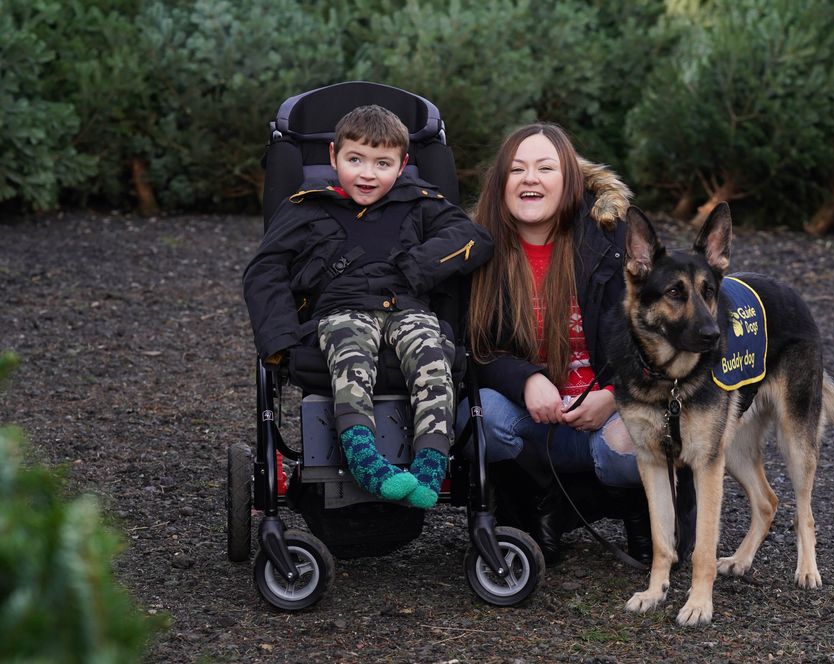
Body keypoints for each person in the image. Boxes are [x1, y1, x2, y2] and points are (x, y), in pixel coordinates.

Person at [462, 122, 695, 564]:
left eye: (545, 168)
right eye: (517, 169)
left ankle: (637, 505)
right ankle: (541, 501)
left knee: (631, 445)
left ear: (570, 179)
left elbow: (659, 337)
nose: (530, 178)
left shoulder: (613, 240)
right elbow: (474, 349)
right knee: (479, 419)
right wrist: (525, 380)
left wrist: (613, 395)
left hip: (608, 412)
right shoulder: (478, 249)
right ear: (500, 183)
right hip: (536, 420)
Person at [244, 105, 491, 509]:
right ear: (333, 157)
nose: (367, 174)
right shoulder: (306, 207)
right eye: (355, 159)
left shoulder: (420, 203)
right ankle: (364, 459)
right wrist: (280, 342)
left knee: (431, 352)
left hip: (408, 307)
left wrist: (418, 265)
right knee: (351, 350)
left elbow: (474, 239)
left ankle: (430, 464)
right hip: (342, 309)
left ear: (402, 165)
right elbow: (265, 270)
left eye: (382, 163)